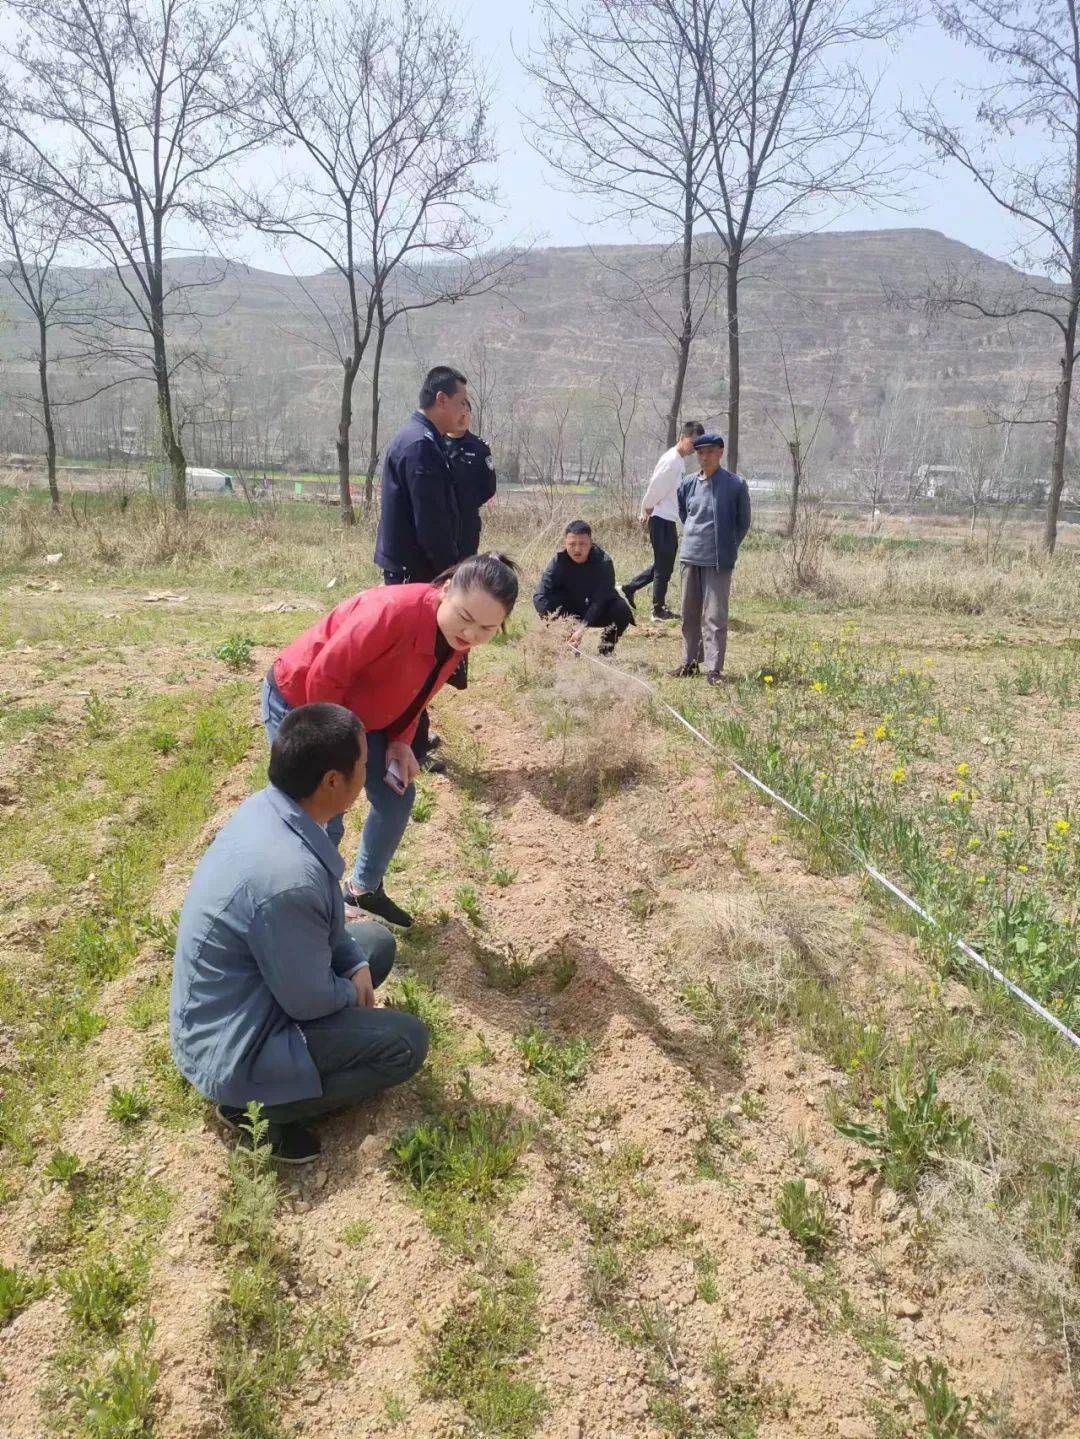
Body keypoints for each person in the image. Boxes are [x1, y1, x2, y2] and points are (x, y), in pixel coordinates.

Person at [170, 703, 430, 1165]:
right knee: (406, 1043)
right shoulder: (288, 878)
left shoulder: (272, 810)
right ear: (333, 781)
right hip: (236, 1045)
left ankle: (303, 1055)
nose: (369, 768)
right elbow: (307, 1001)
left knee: (374, 946)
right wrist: (350, 996)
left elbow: (325, 927)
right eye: (362, 763)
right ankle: (259, 1109)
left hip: (252, 991)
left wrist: (353, 967)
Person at [263, 553, 520, 929]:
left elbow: (419, 692)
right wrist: (341, 753)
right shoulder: (391, 612)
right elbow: (325, 676)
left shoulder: (452, 637)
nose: (470, 635)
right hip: (303, 701)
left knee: (395, 795)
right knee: (324, 813)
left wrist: (400, 741)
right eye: (465, 618)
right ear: (445, 590)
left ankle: (363, 891)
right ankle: (311, 913)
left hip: (361, 712)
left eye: (486, 629)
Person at [375, 364, 470, 766]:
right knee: (419, 659)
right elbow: (430, 521)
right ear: (441, 399)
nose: (465, 410)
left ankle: (416, 732)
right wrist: (452, 573)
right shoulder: (421, 446)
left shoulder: (421, 439)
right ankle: (409, 746)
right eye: (461, 402)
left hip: (411, 568)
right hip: (417, 572)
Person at [673, 432, 751, 685]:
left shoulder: (735, 485)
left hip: (718, 560)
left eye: (709, 452)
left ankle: (714, 669)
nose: (704, 457)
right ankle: (690, 662)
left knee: (714, 616)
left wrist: (728, 546)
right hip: (690, 557)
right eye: (700, 453)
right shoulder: (688, 484)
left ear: (720, 452)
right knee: (689, 613)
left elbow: (743, 523)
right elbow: (685, 514)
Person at [621, 420, 704, 620]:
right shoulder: (672, 460)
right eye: (693, 442)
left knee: (663, 563)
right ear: (683, 438)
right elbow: (655, 486)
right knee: (663, 565)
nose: (695, 448)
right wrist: (646, 507)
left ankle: (629, 588)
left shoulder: (678, 460)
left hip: (667, 517)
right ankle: (657, 610)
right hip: (660, 517)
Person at [533, 520, 634, 656]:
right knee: (546, 601)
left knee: (622, 610)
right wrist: (559, 627)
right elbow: (540, 595)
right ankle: (566, 644)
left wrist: (582, 628)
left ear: (591, 543)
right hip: (568, 612)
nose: (577, 549)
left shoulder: (603, 562)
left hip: (595, 611)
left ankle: (605, 650)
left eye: (582, 544)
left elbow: (601, 599)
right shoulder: (558, 562)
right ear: (565, 543)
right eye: (572, 544)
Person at [446, 398, 497, 558]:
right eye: (457, 413)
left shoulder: (480, 448)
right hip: (439, 519)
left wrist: (467, 502)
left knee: (465, 571)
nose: (462, 417)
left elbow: (489, 487)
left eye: (466, 413)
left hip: (467, 523)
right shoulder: (434, 444)